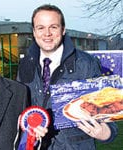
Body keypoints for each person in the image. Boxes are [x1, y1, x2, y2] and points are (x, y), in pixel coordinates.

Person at [17, 4, 118, 150]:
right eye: (41, 28)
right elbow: (21, 109)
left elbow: (108, 113)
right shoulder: (25, 64)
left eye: (53, 27)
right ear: (34, 32)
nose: (47, 33)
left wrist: (106, 133)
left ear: (63, 30)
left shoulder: (86, 63)